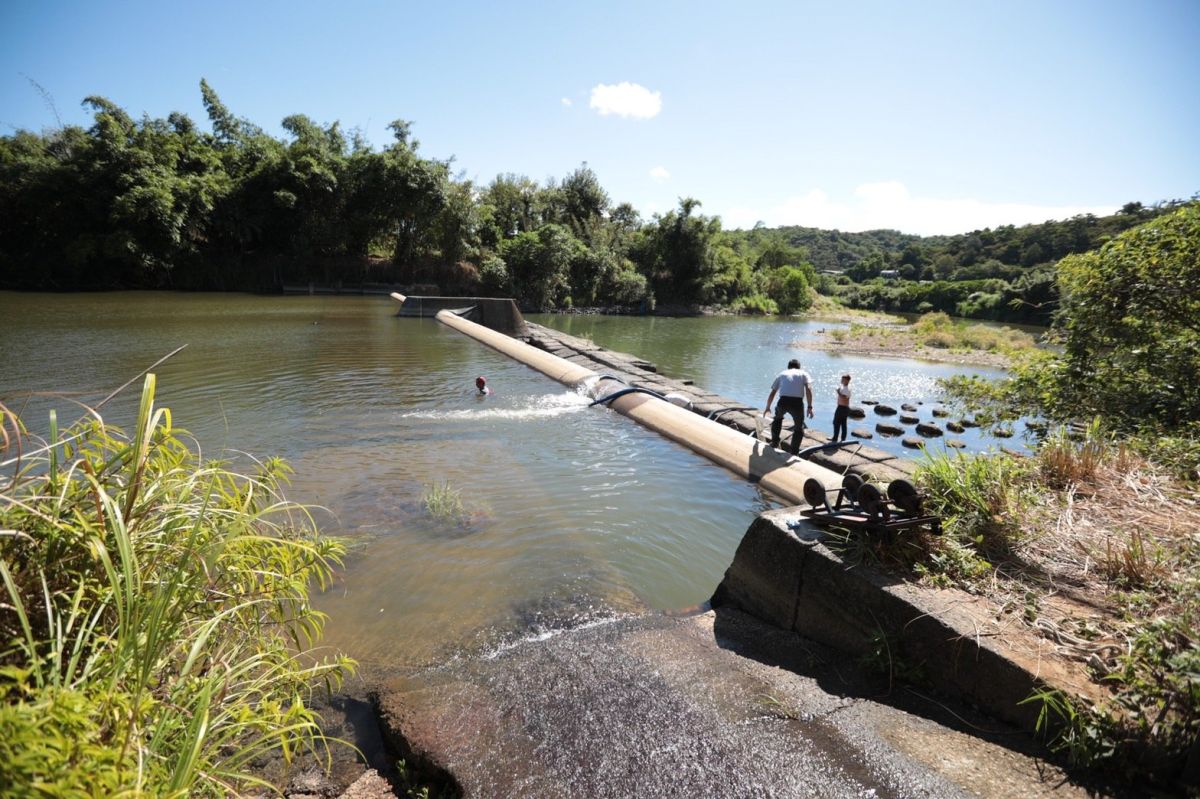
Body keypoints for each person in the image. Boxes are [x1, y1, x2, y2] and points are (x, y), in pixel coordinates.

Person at [762, 358, 813, 455]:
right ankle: (794, 451)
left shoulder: (782, 374)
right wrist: (810, 407)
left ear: (788, 367)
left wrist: (768, 407)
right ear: (799, 367)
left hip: (783, 401)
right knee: (798, 428)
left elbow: (773, 392)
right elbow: (809, 389)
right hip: (797, 403)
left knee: (777, 419)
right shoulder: (804, 373)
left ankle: (774, 442)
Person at [832, 373, 852, 442]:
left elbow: (845, 398)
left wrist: (838, 392)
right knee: (843, 424)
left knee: (836, 423)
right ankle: (842, 439)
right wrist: (839, 390)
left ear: (847, 381)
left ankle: (835, 439)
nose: (841, 380)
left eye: (843, 379)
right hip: (843, 408)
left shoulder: (847, 388)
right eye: (842, 379)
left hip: (842, 408)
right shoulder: (844, 387)